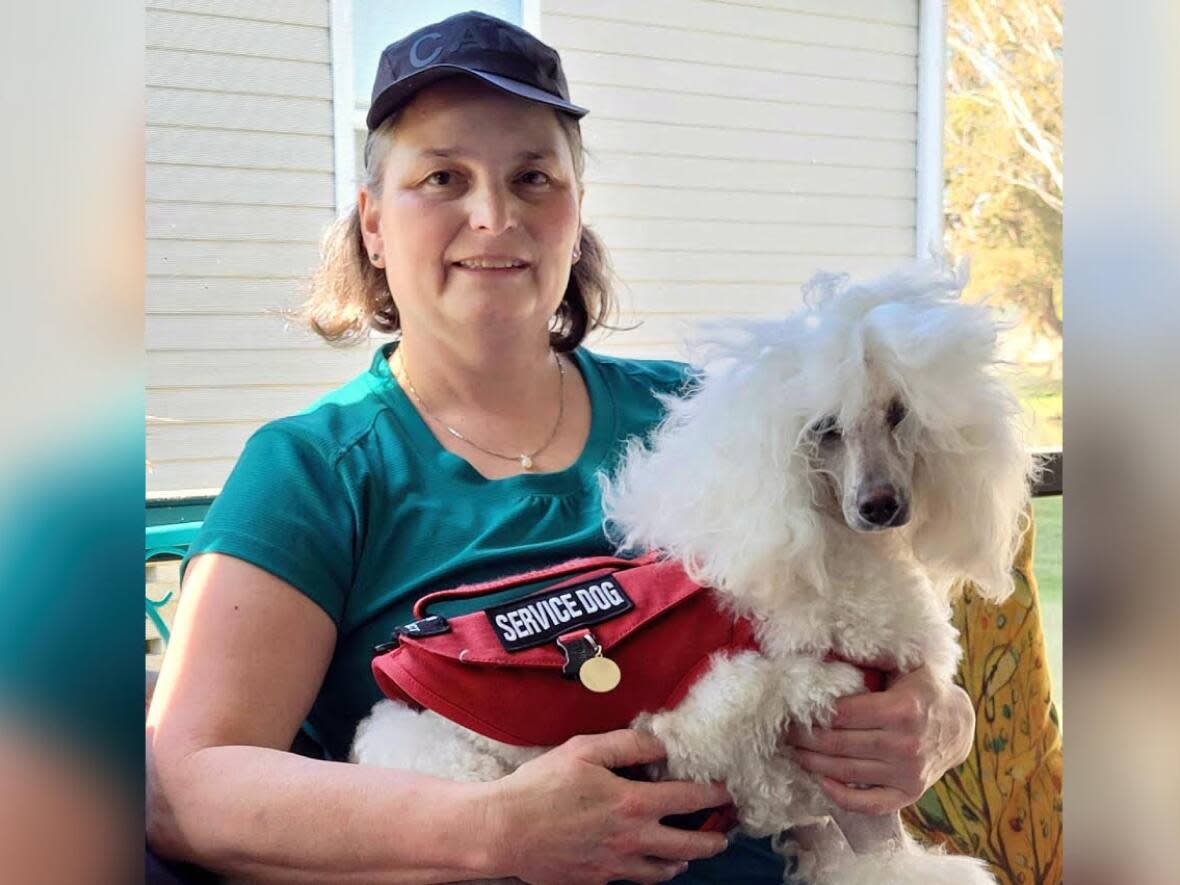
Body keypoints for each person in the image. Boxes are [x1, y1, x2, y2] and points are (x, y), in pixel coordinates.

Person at [146, 12, 976, 884]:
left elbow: (868, 620)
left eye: (534, 177)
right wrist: (491, 828)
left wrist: (936, 719)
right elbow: (184, 784)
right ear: (374, 224)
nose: (494, 214)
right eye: (441, 177)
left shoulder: (712, 414)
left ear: (575, 216)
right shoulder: (312, 470)